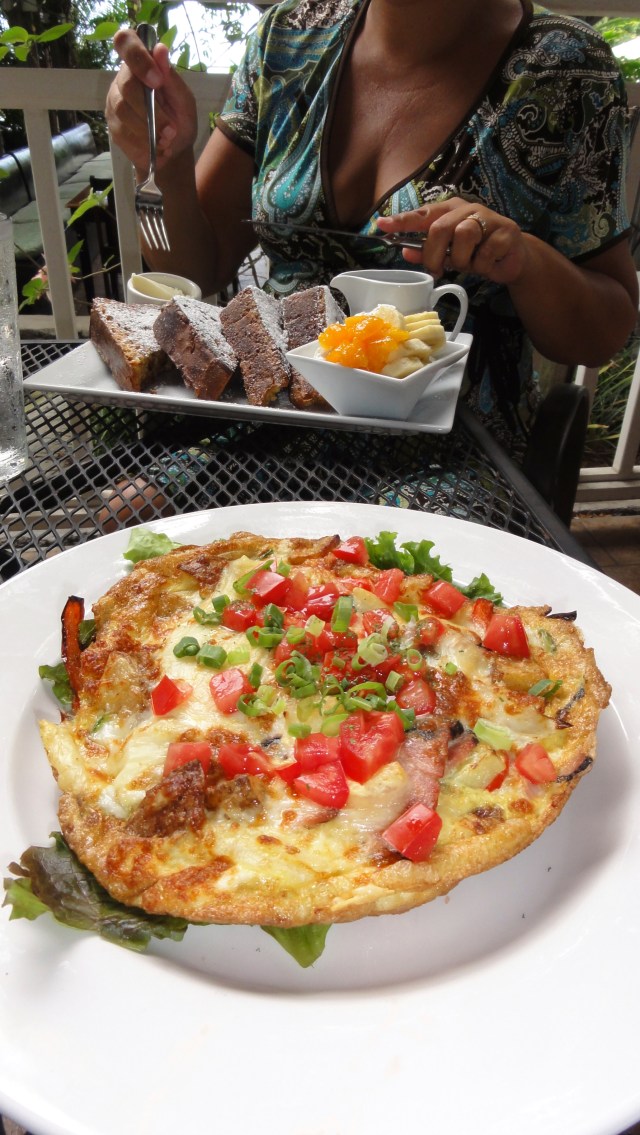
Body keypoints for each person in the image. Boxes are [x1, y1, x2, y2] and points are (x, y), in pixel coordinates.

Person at [105, 0, 638, 445]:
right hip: (267, 419)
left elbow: (603, 330)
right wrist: (166, 167)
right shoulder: (288, 37)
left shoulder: (567, 70)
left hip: (447, 448)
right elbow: (199, 264)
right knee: (129, 517)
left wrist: (524, 259)